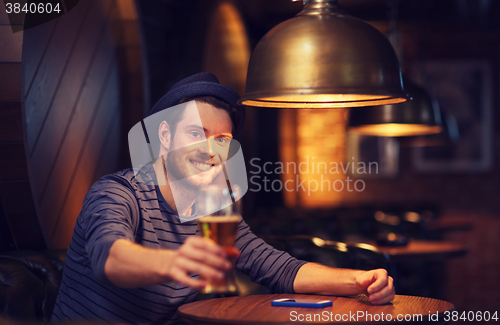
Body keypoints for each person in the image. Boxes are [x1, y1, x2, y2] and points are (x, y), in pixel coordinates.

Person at [51, 73, 394, 325]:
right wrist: (173, 262)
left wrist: (360, 281)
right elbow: (109, 258)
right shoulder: (116, 192)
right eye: (196, 134)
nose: (211, 150)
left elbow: (279, 269)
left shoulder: (211, 210)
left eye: (222, 139)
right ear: (166, 136)